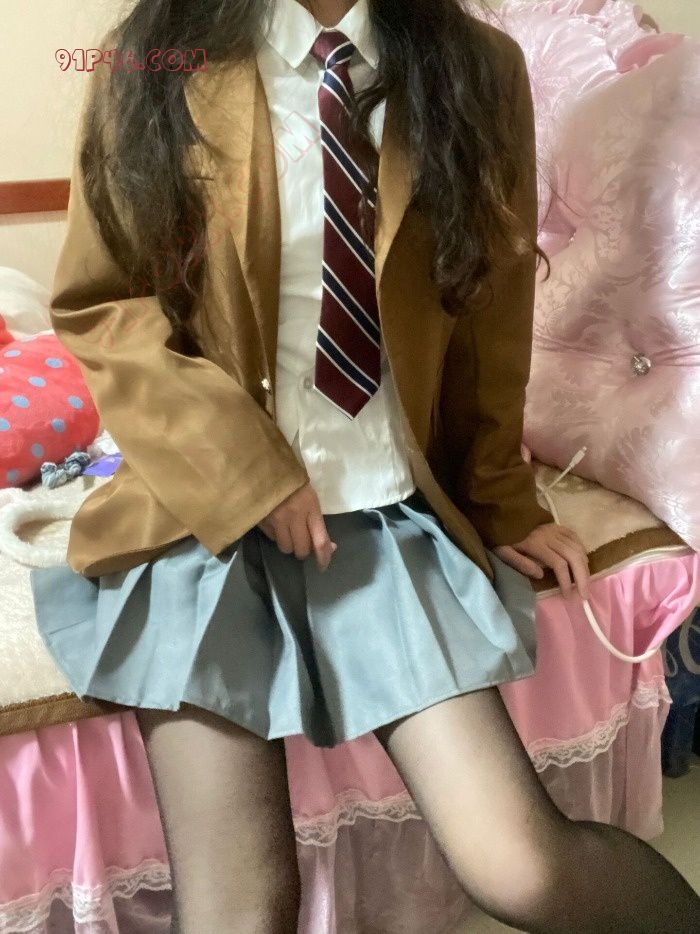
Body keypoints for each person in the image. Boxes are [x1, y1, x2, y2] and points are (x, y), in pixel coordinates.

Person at [30, 1, 700, 931]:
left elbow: (490, 308)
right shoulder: (157, 55)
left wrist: (502, 500)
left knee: (525, 869)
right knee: (239, 911)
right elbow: (107, 307)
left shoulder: (474, 65)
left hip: (387, 516)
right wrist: (248, 473)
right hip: (201, 516)